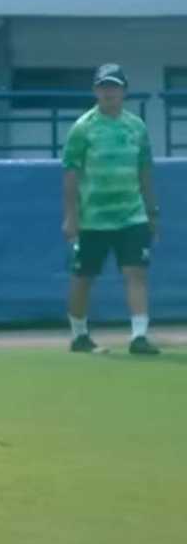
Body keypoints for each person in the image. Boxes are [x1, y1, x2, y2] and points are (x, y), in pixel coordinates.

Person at [62, 63, 160, 355]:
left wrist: (151, 210)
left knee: (136, 273)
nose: (109, 92)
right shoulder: (83, 128)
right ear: (95, 90)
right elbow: (71, 173)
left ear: (124, 91)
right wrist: (71, 215)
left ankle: (139, 336)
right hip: (93, 217)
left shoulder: (136, 127)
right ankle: (79, 335)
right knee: (83, 277)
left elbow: (144, 171)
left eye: (114, 87)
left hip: (131, 214)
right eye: (104, 87)